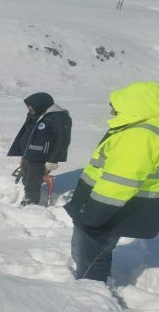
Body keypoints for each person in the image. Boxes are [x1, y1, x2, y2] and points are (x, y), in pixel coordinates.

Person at [64, 81, 159, 282]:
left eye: (116, 107)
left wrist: (92, 218)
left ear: (136, 105)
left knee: (91, 257)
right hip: (117, 207)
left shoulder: (140, 135)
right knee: (96, 252)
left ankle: (91, 296)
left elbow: (119, 182)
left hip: (106, 209)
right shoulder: (145, 128)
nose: (112, 111)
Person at [7, 92, 72, 206]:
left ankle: (30, 203)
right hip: (29, 153)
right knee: (27, 179)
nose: (29, 108)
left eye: (31, 106)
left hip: (42, 157)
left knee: (33, 183)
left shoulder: (59, 118)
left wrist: (53, 160)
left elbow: (62, 141)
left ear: (41, 104)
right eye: (28, 106)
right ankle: (28, 194)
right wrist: (23, 153)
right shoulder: (36, 114)